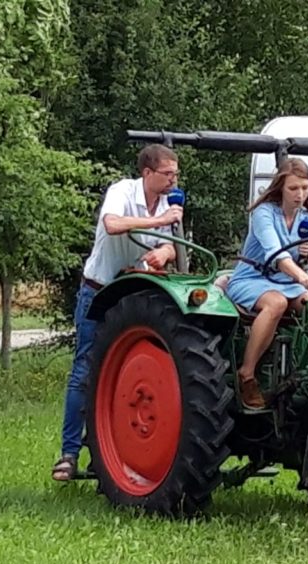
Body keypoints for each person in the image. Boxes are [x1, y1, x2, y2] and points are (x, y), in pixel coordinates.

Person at [51, 144, 184, 482]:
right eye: (167, 174)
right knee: (85, 368)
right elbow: (112, 224)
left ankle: (104, 454)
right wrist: (159, 221)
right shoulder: (122, 191)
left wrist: (164, 254)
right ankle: (68, 454)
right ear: (147, 173)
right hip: (99, 291)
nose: (173, 180)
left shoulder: (169, 205)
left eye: (176, 174)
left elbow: (167, 243)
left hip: (133, 296)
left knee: (121, 377)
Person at [226, 158, 308, 409]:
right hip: (252, 279)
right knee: (276, 303)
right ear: (280, 187)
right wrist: (301, 276)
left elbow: (307, 259)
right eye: (293, 188)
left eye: (305, 188)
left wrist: (307, 255)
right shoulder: (264, 213)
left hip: (286, 281)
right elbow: (276, 255)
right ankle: (246, 374)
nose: (300, 195)